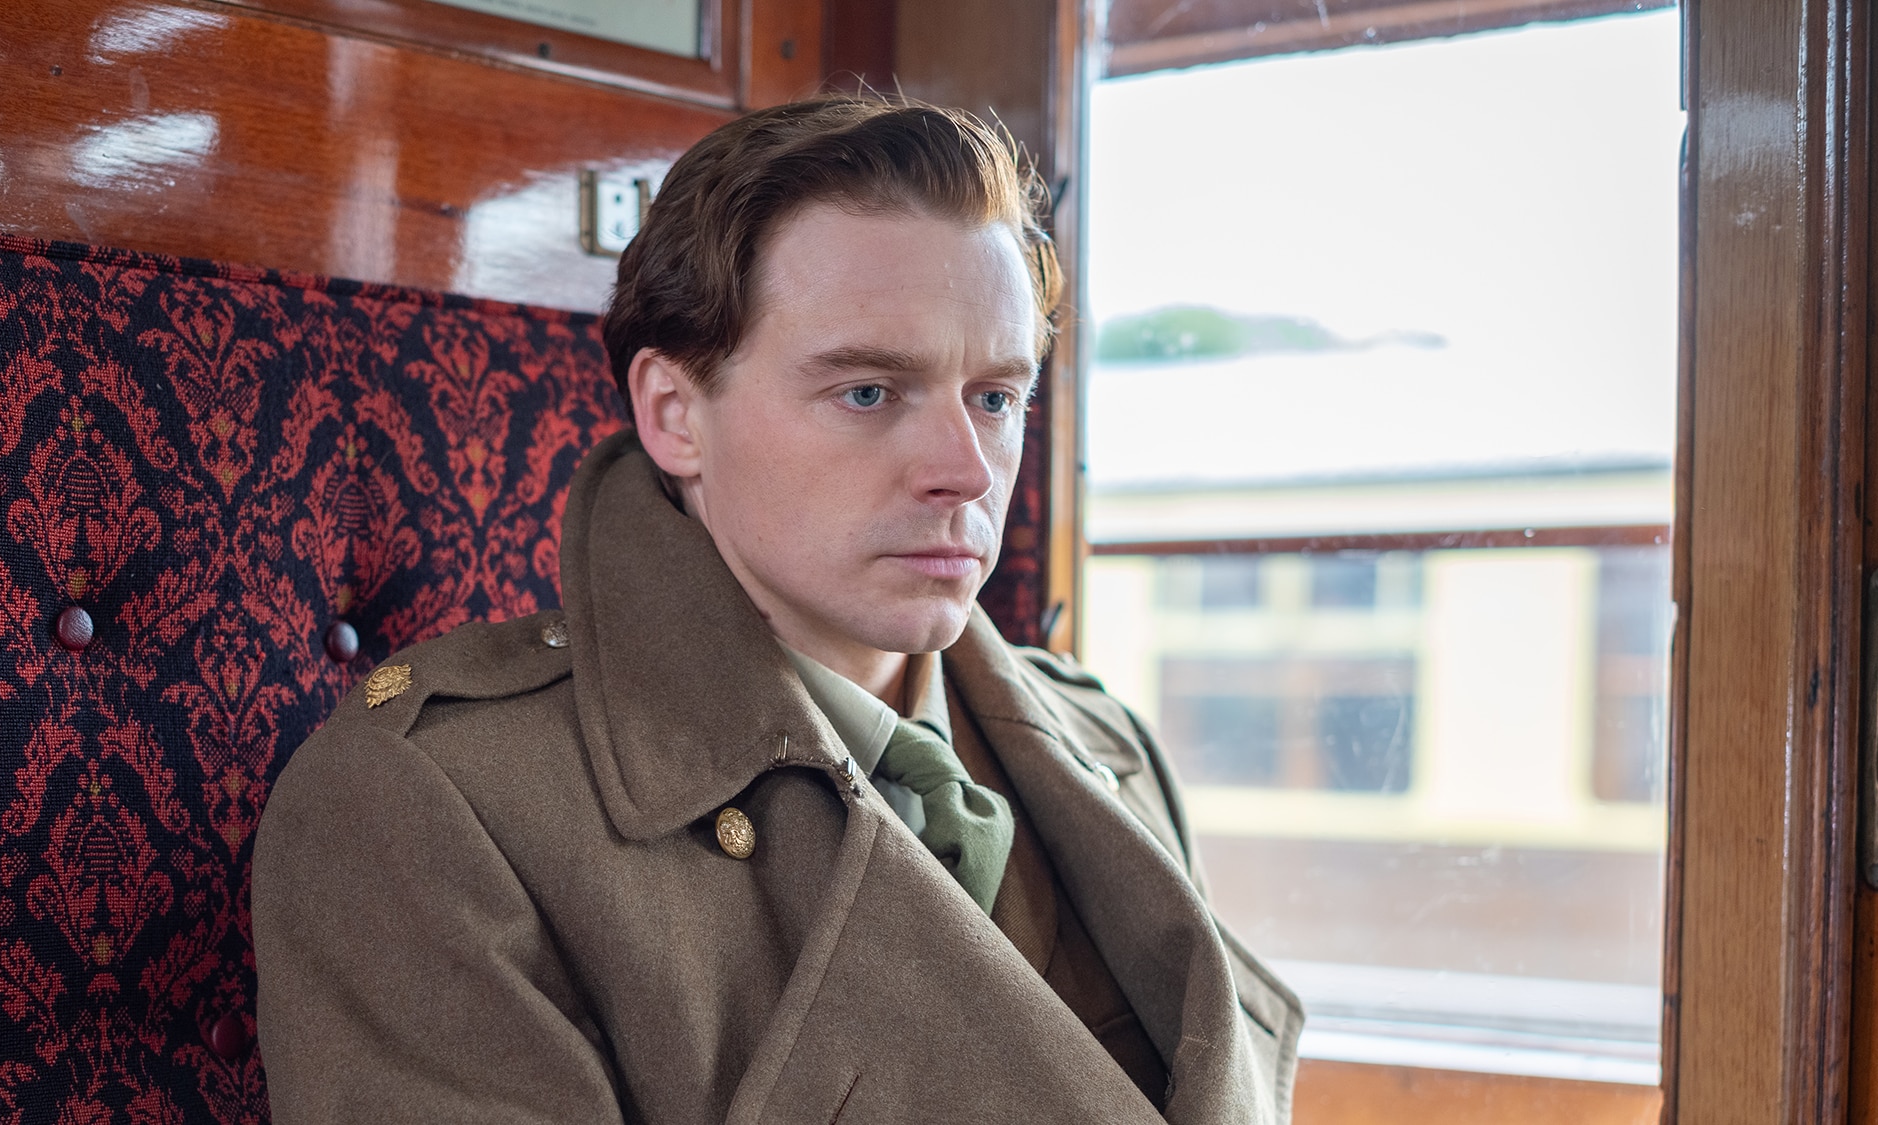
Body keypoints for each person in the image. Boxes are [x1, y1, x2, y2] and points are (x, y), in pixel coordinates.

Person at [252, 95, 1301, 1124]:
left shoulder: (1107, 744)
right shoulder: (432, 806)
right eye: (868, 393)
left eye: (994, 397)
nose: (967, 470)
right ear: (675, 415)